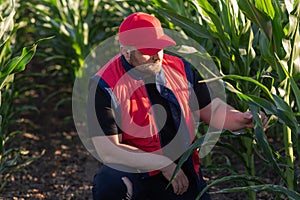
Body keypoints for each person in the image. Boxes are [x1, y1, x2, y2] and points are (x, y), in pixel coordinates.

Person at [87, 12, 268, 200]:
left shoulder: (181, 68)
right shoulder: (104, 85)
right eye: (147, 51)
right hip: (138, 172)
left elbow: (210, 109)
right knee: (109, 183)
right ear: (126, 51)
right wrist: (161, 163)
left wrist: (244, 118)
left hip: (180, 169)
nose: (156, 56)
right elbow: (108, 150)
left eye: (160, 48)